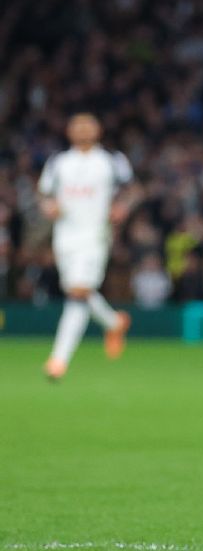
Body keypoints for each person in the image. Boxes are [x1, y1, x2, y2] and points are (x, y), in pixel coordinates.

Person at [37, 112, 134, 381]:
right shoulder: (59, 162)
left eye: (87, 124)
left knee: (78, 293)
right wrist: (49, 207)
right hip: (65, 236)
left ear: (98, 129)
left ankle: (58, 360)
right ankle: (114, 323)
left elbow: (129, 190)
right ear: (69, 131)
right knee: (78, 291)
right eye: (77, 125)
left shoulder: (112, 161)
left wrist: (122, 207)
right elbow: (44, 193)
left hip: (94, 235)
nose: (82, 130)